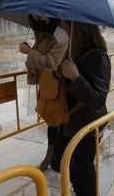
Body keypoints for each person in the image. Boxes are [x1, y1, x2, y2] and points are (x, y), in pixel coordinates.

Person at [50, 21, 111, 196]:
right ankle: (80, 190)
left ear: (80, 29)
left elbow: (98, 99)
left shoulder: (98, 56)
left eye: (67, 27)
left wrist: (75, 77)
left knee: (83, 168)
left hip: (88, 124)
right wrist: (59, 73)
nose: (63, 30)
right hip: (68, 120)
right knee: (58, 162)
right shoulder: (73, 51)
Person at [19, 15, 68, 171]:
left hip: (59, 87)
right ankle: (52, 155)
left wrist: (29, 52)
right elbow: (39, 58)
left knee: (58, 122)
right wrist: (31, 50)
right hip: (47, 85)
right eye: (33, 12)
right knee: (52, 122)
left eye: (41, 12)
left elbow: (51, 63)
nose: (36, 15)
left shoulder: (60, 33)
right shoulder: (41, 31)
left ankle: (58, 158)